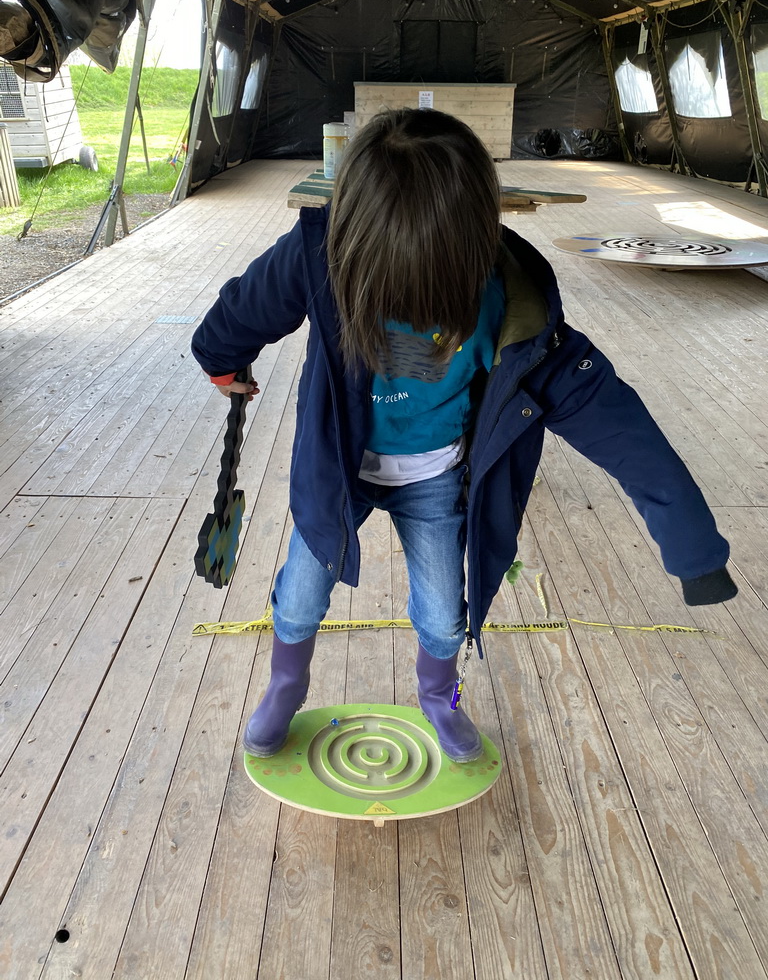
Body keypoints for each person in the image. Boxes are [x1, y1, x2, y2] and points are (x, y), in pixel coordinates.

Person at [191, 107, 737, 764]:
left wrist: (693, 546)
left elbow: (622, 429)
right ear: (348, 236)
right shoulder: (317, 254)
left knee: (446, 617)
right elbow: (249, 306)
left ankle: (439, 700)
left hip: (435, 478)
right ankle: (286, 685)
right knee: (301, 597)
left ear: (480, 246)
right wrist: (222, 358)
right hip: (338, 473)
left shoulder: (516, 308)